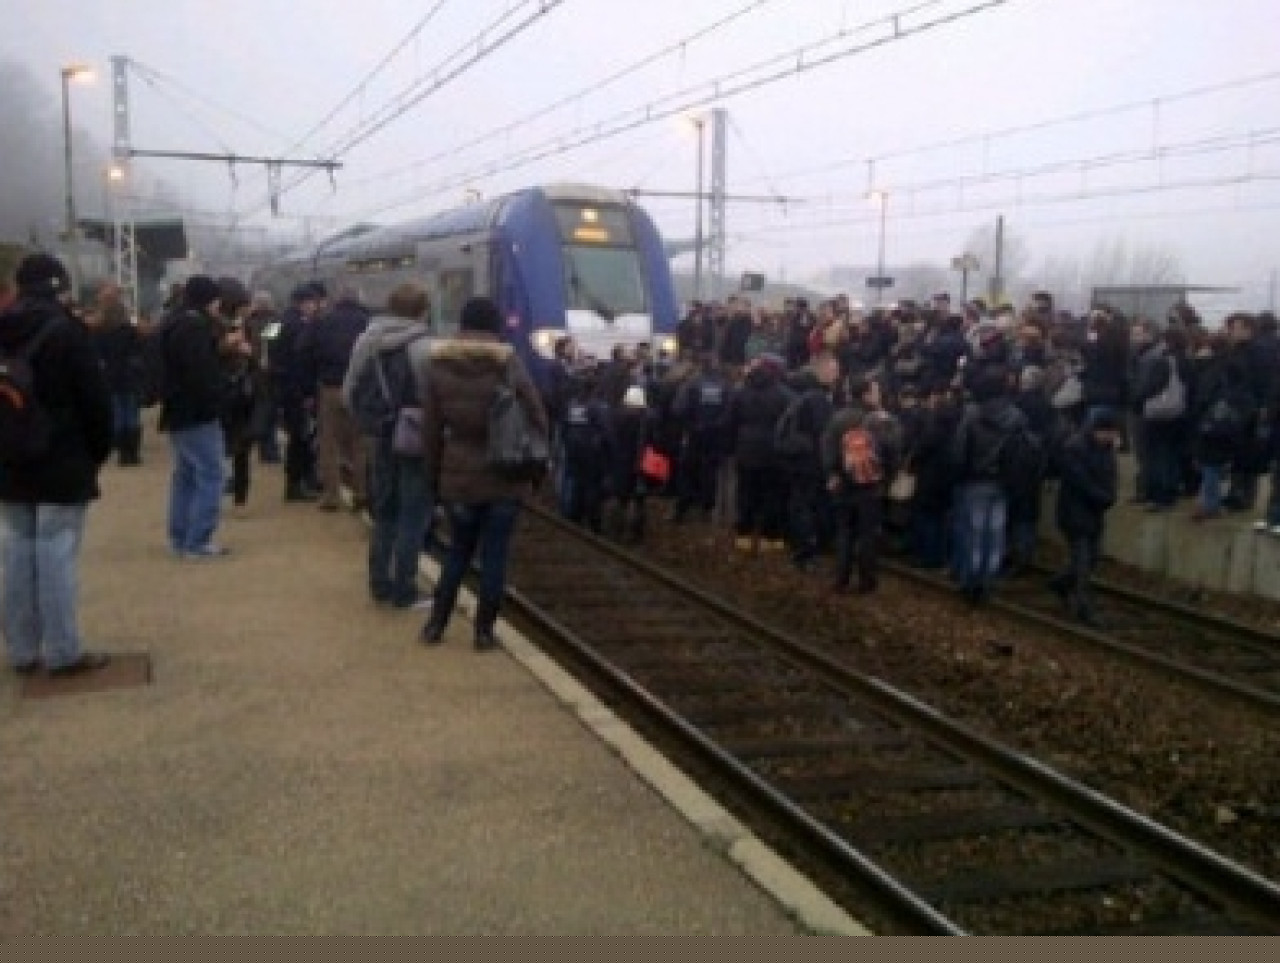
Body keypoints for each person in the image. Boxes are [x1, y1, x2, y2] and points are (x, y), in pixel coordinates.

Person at [0, 253, 113, 676]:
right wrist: (94, 454)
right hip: (61, 457)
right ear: (58, 286)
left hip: (9, 459)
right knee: (56, 553)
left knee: (14, 553)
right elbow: (95, 402)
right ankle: (63, 649)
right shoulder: (68, 332)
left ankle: (23, 650)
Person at [418, 296, 549, 651]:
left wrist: (433, 479)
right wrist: (537, 464)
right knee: (494, 557)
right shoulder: (509, 364)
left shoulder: (439, 366)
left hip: (458, 474)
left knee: (457, 553)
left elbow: (430, 431)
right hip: (505, 474)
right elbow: (537, 414)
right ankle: (484, 632)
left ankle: (435, 625)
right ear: (494, 326)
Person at [342, 281, 435, 608]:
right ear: (423, 310)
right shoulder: (425, 347)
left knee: (385, 510)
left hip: (380, 436)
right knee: (414, 512)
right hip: (414, 438)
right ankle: (405, 589)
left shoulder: (367, 340)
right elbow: (433, 398)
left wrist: (370, 423)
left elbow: (350, 390)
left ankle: (379, 582)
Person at [159, 275, 232, 558]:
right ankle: (198, 541)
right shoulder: (194, 326)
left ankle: (180, 537)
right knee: (211, 474)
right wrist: (219, 394)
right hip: (198, 412)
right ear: (208, 299)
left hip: (178, 410)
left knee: (186, 475)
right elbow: (200, 372)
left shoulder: (173, 321)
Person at [298, 284, 371, 511]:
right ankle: (361, 493)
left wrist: (310, 384)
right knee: (360, 444)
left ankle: (332, 496)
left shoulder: (322, 321)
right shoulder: (368, 323)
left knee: (329, 444)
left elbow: (302, 348)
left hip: (330, 387)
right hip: (359, 389)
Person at [1049, 407, 1119, 627]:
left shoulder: (1106, 450)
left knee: (1093, 558)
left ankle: (1060, 584)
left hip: (1094, 513)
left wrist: (1108, 495)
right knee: (1082, 561)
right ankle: (1084, 608)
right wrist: (1103, 496)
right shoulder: (1074, 448)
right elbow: (1079, 480)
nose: (1109, 436)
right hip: (1075, 513)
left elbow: (1110, 476)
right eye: (1105, 431)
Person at [87, 280, 146, 466]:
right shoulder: (129, 326)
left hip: (110, 374)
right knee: (131, 413)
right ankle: (133, 453)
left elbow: (95, 352)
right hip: (129, 373)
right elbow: (140, 346)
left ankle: (122, 454)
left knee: (118, 413)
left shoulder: (97, 329)